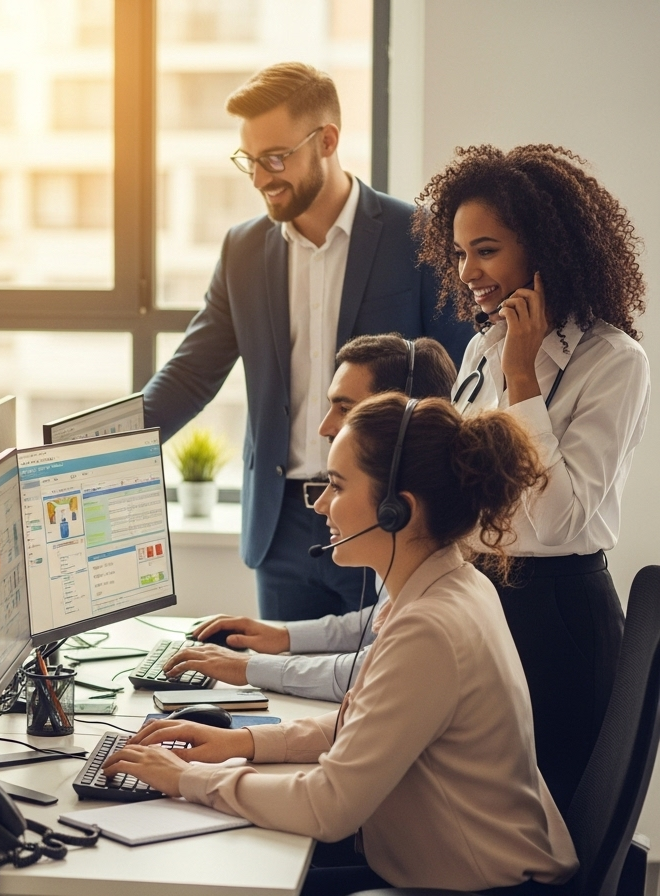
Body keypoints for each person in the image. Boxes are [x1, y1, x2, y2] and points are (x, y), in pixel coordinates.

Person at [105, 395, 577, 895]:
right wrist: (240, 743)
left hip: (480, 887)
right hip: (463, 869)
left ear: (398, 511)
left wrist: (186, 780)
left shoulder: (431, 628)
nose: (320, 504)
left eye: (336, 485)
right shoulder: (454, 586)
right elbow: (371, 721)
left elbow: (327, 807)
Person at [144, 62, 473, 623]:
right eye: (249, 161)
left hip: (386, 512)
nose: (260, 178)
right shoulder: (243, 250)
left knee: (376, 693)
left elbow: (464, 378)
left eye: (276, 158)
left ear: (327, 140)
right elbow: (191, 375)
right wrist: (97, 449)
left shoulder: (416, 235)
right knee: (281, 692)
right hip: (281, 529)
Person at [413, 143, 650, 814]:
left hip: (556, 619)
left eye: (485, 250)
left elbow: (556, 519)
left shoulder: (613, 361)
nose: (469, 273)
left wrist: (522, 379)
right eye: (459, 254)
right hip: (481, 595)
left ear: (543, 248)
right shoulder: (480, 346)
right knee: (472, 816)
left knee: (544, 830)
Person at [165, 334, 458, 700]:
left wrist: (246, 668)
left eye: (345, 408)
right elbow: (376, 626)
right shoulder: (423, 540)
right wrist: (282, 636)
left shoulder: (430, 576)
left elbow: (365, 674)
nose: (324, 427)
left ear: (400, 418)